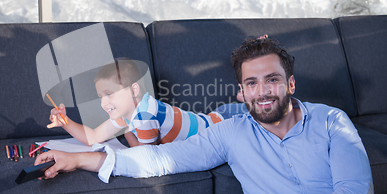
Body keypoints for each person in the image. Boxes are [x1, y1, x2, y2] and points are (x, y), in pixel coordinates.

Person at [36, 36, 374, 194]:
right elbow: (159, 159)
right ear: (242, 91)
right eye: (252, 83)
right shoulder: (231, 133)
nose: (263, 91)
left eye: (272, 79)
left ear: (291, 83)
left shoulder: (332, 121)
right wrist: (80, 160)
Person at [48, 57, 244, 147]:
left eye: (109, 94)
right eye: (100, 96)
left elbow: (146, 154)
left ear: (134, 90)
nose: (103, 103)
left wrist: (126, 132)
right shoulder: (129, 111)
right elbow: (93, 137)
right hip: (219, 117)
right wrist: (65, 122)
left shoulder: (144, 115)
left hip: (224, 125)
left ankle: (247, 95)